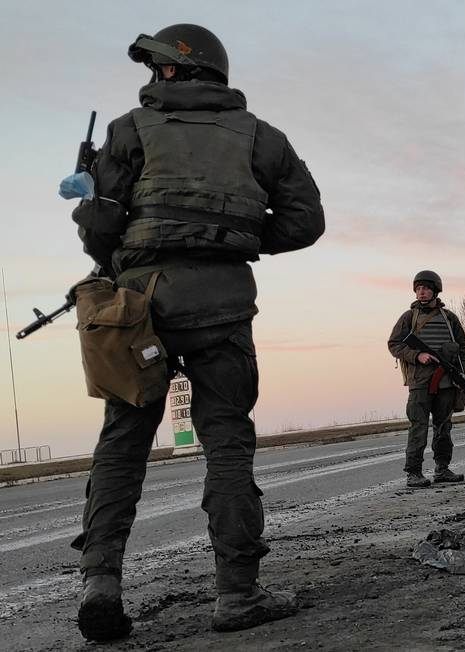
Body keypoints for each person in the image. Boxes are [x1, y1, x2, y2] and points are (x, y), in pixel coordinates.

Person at [65, 24, 324, 641]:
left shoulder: (128, 130)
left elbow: (100, 226)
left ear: (179, 71)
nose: (152, 79)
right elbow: (305, 222)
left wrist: (107, 222)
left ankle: (102, 582)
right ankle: (237, 596)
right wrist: (229, 237)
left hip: (140, 309)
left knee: (123, 444)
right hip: (224, 308)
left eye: (158, 68)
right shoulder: (265, 137)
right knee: (227, 446)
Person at [387, 270, 465, 488]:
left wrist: (462, 376)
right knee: (418, 427)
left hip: (446, 382)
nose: (421, 292)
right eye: (418, 289)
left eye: (425, 288)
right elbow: (394, 344)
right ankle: (413, 473)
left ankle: (442, 469)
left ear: (435, 290)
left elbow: (463, 349)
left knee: (444, 427)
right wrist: (417, 355)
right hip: (420, 382)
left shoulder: (449, 318)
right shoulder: (408, 318)